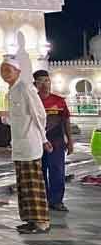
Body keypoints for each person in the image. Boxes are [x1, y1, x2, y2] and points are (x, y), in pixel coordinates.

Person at [0, 56, 50, 234]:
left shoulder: (26, 88)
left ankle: (42, 222)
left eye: (8, 70)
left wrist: (43, 139)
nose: (4, 73)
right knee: (24, 185)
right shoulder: (11, 91)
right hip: (19, 145)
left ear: (18, 72)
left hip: (30, 143)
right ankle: (30, 220)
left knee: (34, 184)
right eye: (2, 70)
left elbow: (40, 114)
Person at [33, 69, 74, 212]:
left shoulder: (59, 101)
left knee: (57, 171)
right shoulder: (33, 101)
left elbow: (66, 120)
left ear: (50, 82)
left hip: (57, 142)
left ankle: (56, 201)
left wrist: (70, 141)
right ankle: (43, 200)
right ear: (35, 84)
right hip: (37, 143)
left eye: (46, 81)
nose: (44, 84)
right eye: (40, 82)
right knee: (40, 171)